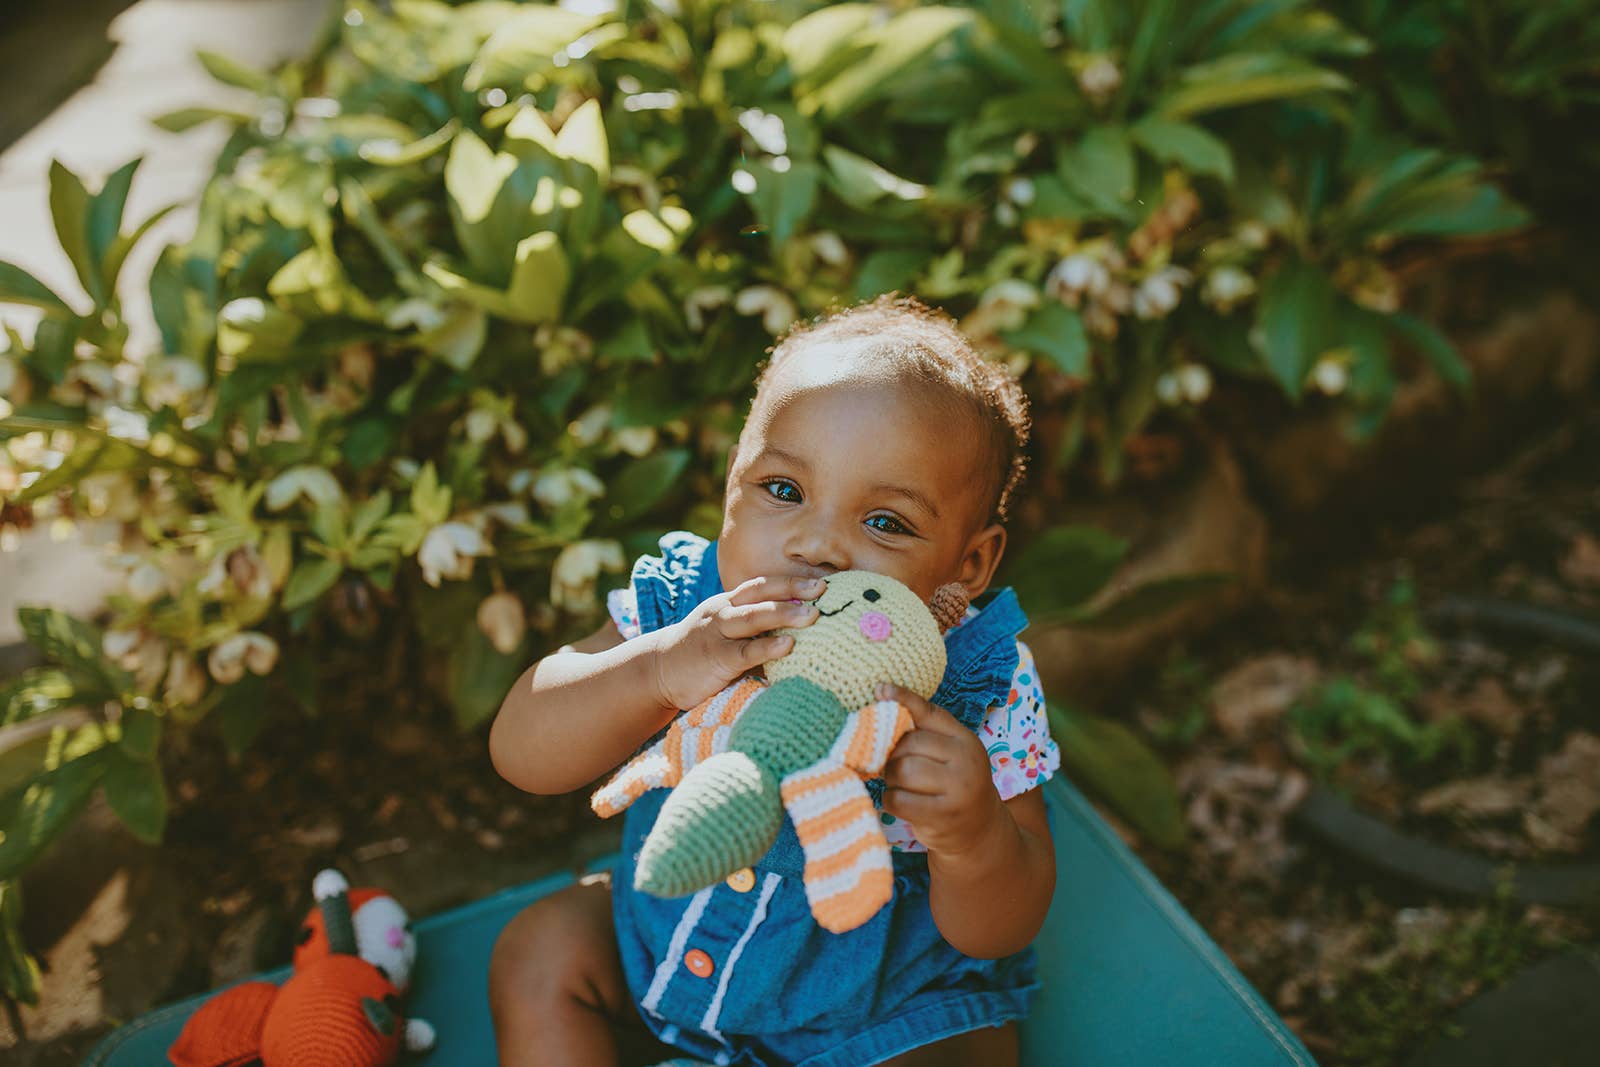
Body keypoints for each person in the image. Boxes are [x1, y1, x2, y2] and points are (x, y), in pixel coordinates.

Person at [488, 294, 1060, 1066]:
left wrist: (974, 836)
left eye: (886, 522)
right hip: (665, 946)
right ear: (734, 479)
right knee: (539, 953)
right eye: (784, 490)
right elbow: (521, 750)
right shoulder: (683, 607)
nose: (817, 545)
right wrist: (655, 671)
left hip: (875, 1011)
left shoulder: (981, 684)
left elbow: (1005, 923)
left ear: (970, 563)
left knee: (972, 1048)